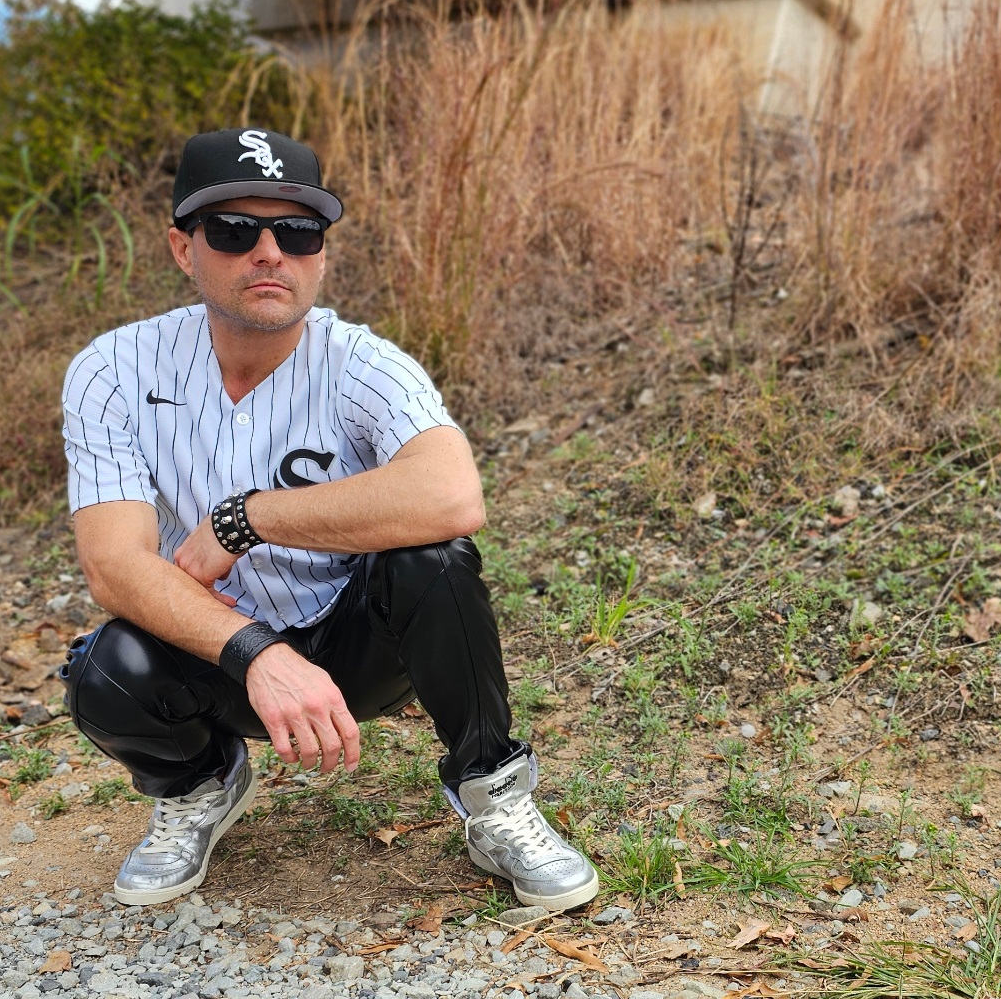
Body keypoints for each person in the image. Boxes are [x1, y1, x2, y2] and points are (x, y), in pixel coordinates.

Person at [58, 127, 598, 912]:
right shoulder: (113, 369)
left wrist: (247, 518)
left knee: (436, 559)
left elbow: (453, 495)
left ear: (321, 253)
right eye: (235, 230)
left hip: (353, 652)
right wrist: (256, 654)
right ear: (184, 249)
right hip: (217, 651)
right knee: (103, 669)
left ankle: (493, 794)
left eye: (298, 230)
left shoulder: (363, 363)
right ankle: (199, 783)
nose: (269, 252)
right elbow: (114, 564)